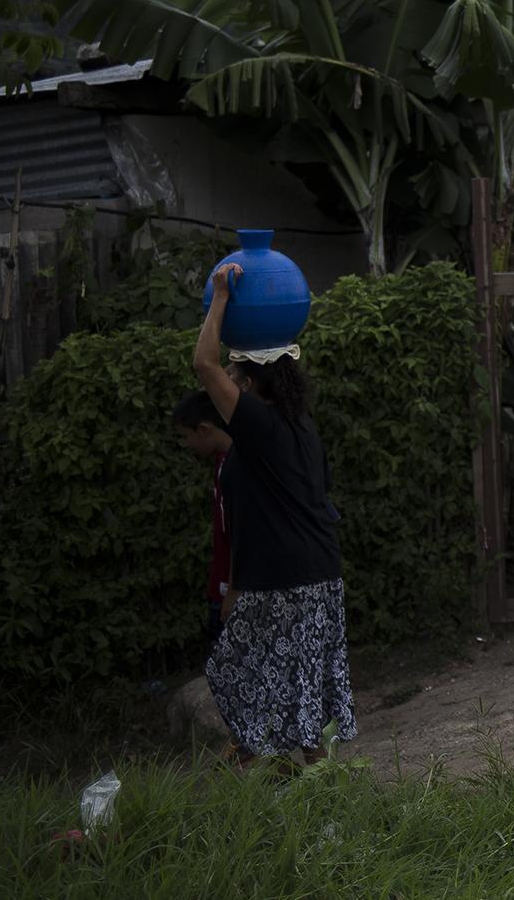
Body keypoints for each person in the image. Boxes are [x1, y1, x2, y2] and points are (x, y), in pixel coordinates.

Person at [194, 262, 356, 766]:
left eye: (238, 376)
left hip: (289, 579)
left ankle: (266, 755)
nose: (231, 384)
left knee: (235, 666)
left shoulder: (261, 426)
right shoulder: (298, 426)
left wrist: (220, 296)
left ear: (254, 383)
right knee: (298, 678)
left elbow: (203, 365)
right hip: (317, 573)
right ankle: (300, 773)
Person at [172, 390, 233, 644]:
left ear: (205, 429)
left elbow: (241, 534)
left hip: (230, 593)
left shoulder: (235, 468)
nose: (186, 444)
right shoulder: (222, 461)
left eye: (186, 436)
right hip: (223, 588)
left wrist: (233, 589)